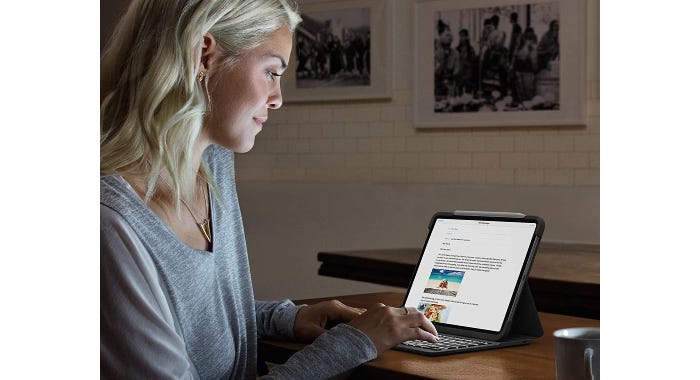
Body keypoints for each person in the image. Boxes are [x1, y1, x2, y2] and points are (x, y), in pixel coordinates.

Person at [100, 1, 439, 379]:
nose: (278, 98)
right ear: (204, 56)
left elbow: (194, 318)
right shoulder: (109, 225)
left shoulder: (212, 166)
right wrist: (352, 344)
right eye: (271, 72)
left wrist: (286, 318)